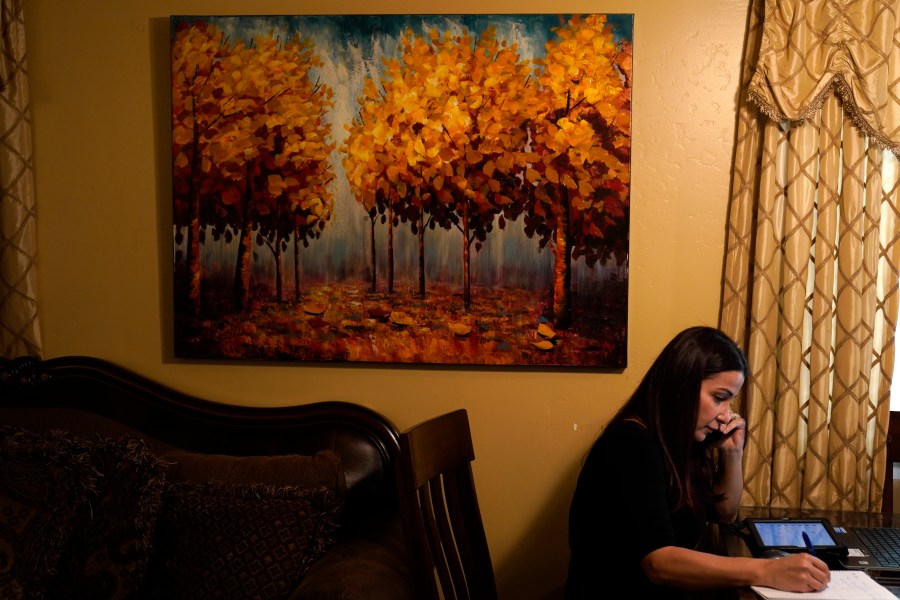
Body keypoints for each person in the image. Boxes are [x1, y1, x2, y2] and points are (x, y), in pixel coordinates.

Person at [564, 326, 831, 599]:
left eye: (729, 402)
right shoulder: (631, 444)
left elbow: (724, 514)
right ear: (681, 386)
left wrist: (732, 452)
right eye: (719, 398)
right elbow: (659, 562)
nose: (725, 415)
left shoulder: (681, 442)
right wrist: (767, 571)